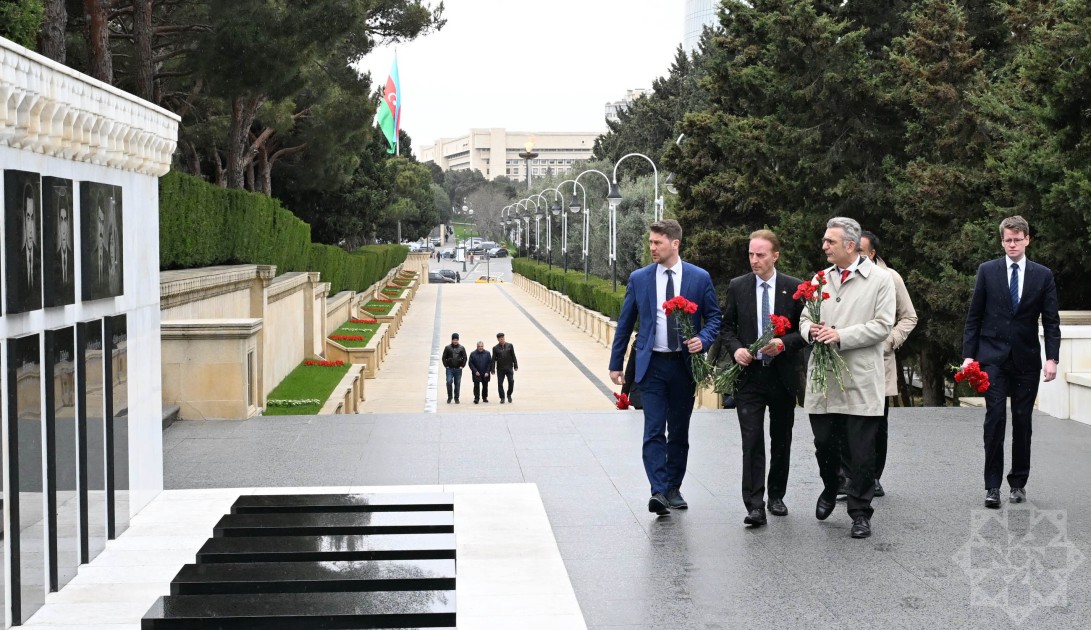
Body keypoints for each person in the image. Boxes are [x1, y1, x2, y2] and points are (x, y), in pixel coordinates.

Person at [608, 220, 722, 516]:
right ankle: (658, 490)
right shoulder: (640, 278)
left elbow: (714, 318)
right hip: (653, 365)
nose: (652, 248)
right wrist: (615, 363)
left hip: (684, 367)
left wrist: (703, 339)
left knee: (679, 432)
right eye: (650, 242)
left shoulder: (699, 278)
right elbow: (625, 322)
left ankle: (673, 487)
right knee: (654, 429)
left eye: (658, 243)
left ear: (675, 244)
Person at [801, 217, 894, 539]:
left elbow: (883, 326)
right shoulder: (819, 278)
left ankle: (860, 512)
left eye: (830, 241)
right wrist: (809, 329)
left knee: (862, 452)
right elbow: (803, 316)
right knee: (824, 444)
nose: (824, 246)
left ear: (850, 246)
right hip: (825, 380)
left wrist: (841, 335)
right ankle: (831, 486)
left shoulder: (881, 280)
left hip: (860, 378)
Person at [962, 215, 1060, 509]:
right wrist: (969, 356)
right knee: (995, 418)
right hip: (991, 358)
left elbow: (1051, 321)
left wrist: (1052, 357)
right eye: (1008, 240)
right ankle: (992, 486)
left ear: (1027, 239)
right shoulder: (987, 271)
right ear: (1002, 240)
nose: (1012, 244)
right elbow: (974, 317)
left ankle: (1018, 482)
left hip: (1027, 360)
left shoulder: (1043, 275)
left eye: (1017, 239)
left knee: (1022, 421)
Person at [716, 229, 806, 527]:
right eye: (751, 254)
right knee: (751, 439)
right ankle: (755, 504)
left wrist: (783, 344)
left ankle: (776, 495)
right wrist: (737, 349)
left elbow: (804, 334)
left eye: (761, 255)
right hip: (749, 377)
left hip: (782, 376)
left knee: (781, 438)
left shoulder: (793, 288)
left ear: (775, 256)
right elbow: (726, 327)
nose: (754, 260)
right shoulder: (738, 286)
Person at [856, 230, 917, 497]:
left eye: (859, 250)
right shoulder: (840, 275)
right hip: (848, 359)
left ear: (872, 254)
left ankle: (874, 477)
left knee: (877, 422)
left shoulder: (890, 278)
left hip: (880, 362)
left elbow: (909, 317)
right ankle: (852, 476)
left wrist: (889, 341)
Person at [491, 333, 518, 403]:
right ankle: (502, 397)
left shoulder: (510, 345)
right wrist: (492, 369)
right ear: (498, 339)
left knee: (511, 382)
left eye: (502, 338)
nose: (502, 339)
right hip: (500, 369)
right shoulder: (495, 348)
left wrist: (515, 365)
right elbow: (493, 359)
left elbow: (513, 356)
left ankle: (509, 394)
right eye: (500, 339)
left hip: (509, 368)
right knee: (500, 384)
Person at [441, 333, 467, 404]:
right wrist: (446, 366)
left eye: (456, 340)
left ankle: (456, 398)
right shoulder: (447, 348)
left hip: (458, 369)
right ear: (452, 340)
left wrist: (462, 366)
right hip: (450, 369)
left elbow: (465, 357)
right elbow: (443, 357)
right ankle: (450, 397)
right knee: (449, 382)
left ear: (458, 340)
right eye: (454, 340)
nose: (455, 341)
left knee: (457, 383)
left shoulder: (461, 348)